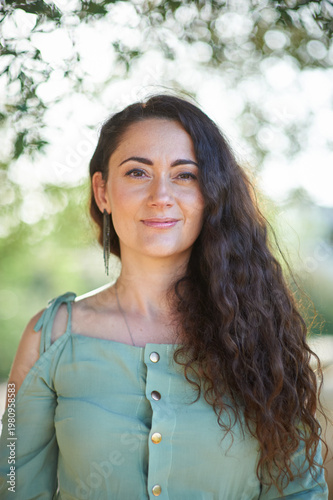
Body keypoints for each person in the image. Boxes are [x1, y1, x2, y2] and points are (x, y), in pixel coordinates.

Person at [0, 94, 328, 499]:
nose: (161, 195)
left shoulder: (261, 333)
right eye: (137, 173)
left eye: (185, 175)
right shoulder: (48, 336)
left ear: (211, 194)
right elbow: (13, 483)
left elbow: (301, 490)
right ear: (102, 191)